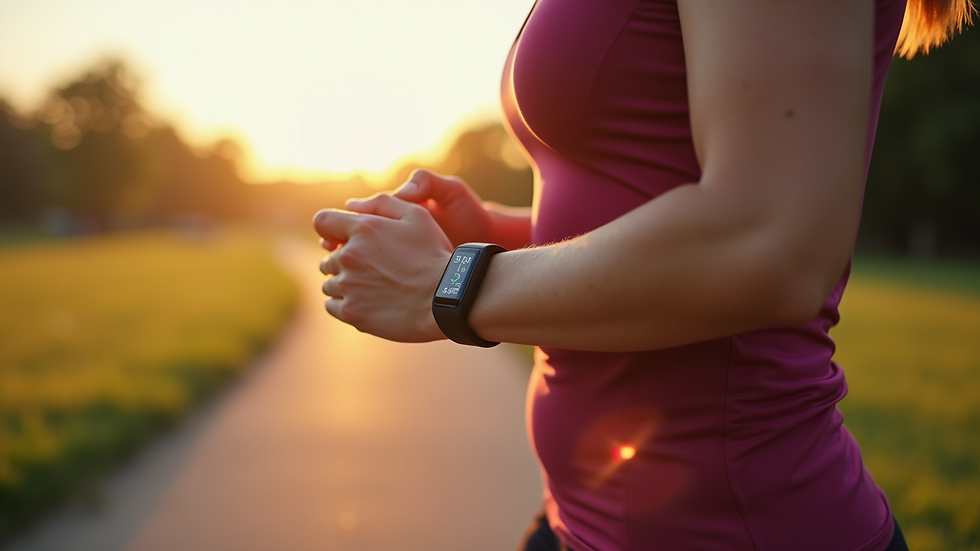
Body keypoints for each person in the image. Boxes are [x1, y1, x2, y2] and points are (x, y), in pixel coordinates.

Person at [313, 0, 973, 549]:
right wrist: (505, 238)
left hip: (733, 527)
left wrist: (449, 286)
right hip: (578, 521)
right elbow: (650, 189)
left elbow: (770, 241)